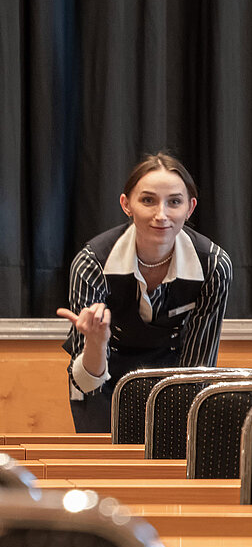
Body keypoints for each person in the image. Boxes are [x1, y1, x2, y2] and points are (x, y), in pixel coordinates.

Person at [56, 153, 233, 433]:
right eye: (148, 200)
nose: (161, 215)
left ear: (190, 208)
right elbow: (85, 382)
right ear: (127, 205)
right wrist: (97, 341)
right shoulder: (92, 263)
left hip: (175, 382)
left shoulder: (213, 265)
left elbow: (198, 370)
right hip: (101, 381)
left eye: (174, 202)